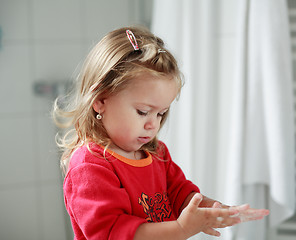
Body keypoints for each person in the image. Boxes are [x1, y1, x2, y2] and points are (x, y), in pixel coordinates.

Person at [53, 26, 269, 240]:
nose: (153, 125)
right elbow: (113, 233)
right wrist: (181, 230)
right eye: (143, 112)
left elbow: (180, 195)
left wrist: (214, 211)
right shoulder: (90, 165)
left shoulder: (156, 153)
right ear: (100, 100)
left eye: (160, 113)